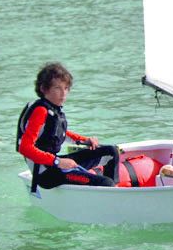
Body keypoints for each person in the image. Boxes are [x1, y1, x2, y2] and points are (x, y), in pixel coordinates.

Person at [16, 62, 120, 192]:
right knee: (106, 183)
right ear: (43, 89)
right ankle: (112, 193)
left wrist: (84, 140)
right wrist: (58, 162)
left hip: (55, 163)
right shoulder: (40, 111)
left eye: (66, 88)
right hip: (46, 174)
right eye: (57, 88)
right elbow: (25, 148)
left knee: (111, 151)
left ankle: (115, 192)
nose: (63, 93)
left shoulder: (52, 109)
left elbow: (56, 133)